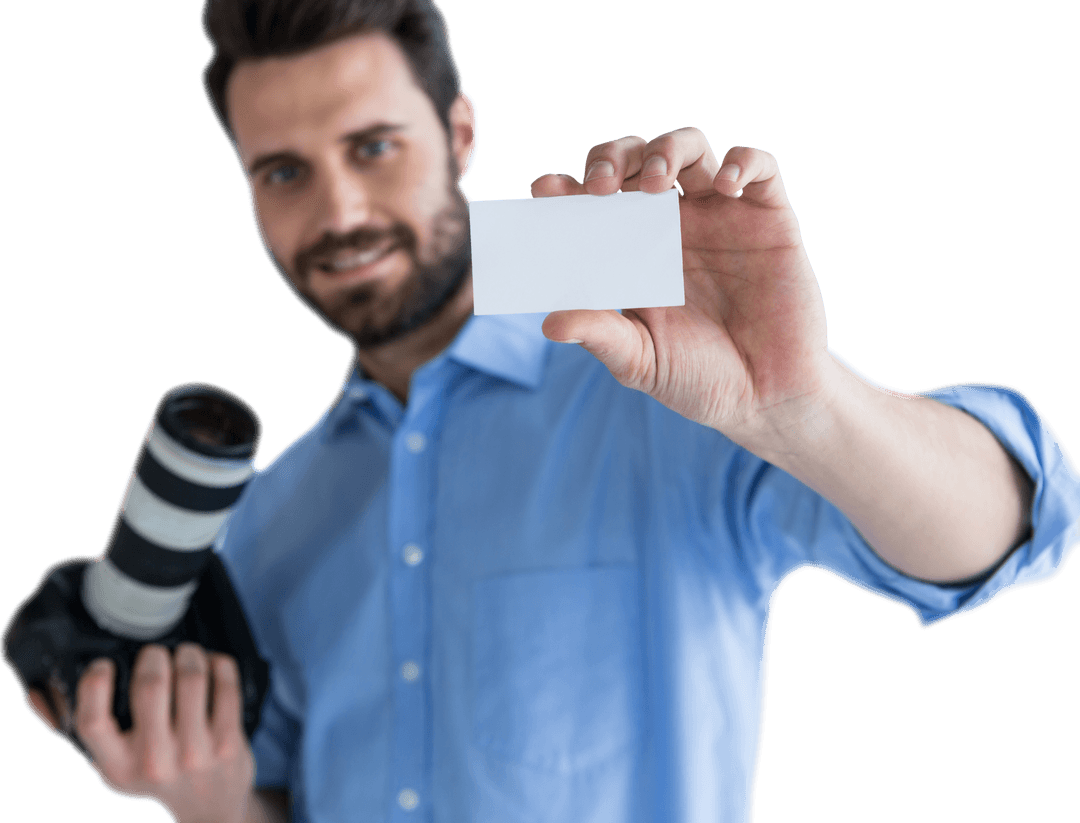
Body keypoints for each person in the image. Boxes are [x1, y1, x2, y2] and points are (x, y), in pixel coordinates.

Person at [23, 0, 1080, 821]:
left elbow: (1002, 537)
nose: (338, 209)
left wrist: (798, 402)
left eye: (374, 146)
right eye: (285, 170)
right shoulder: (263, 525)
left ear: (462, 132)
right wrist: (206, 799)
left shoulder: (660, 397)